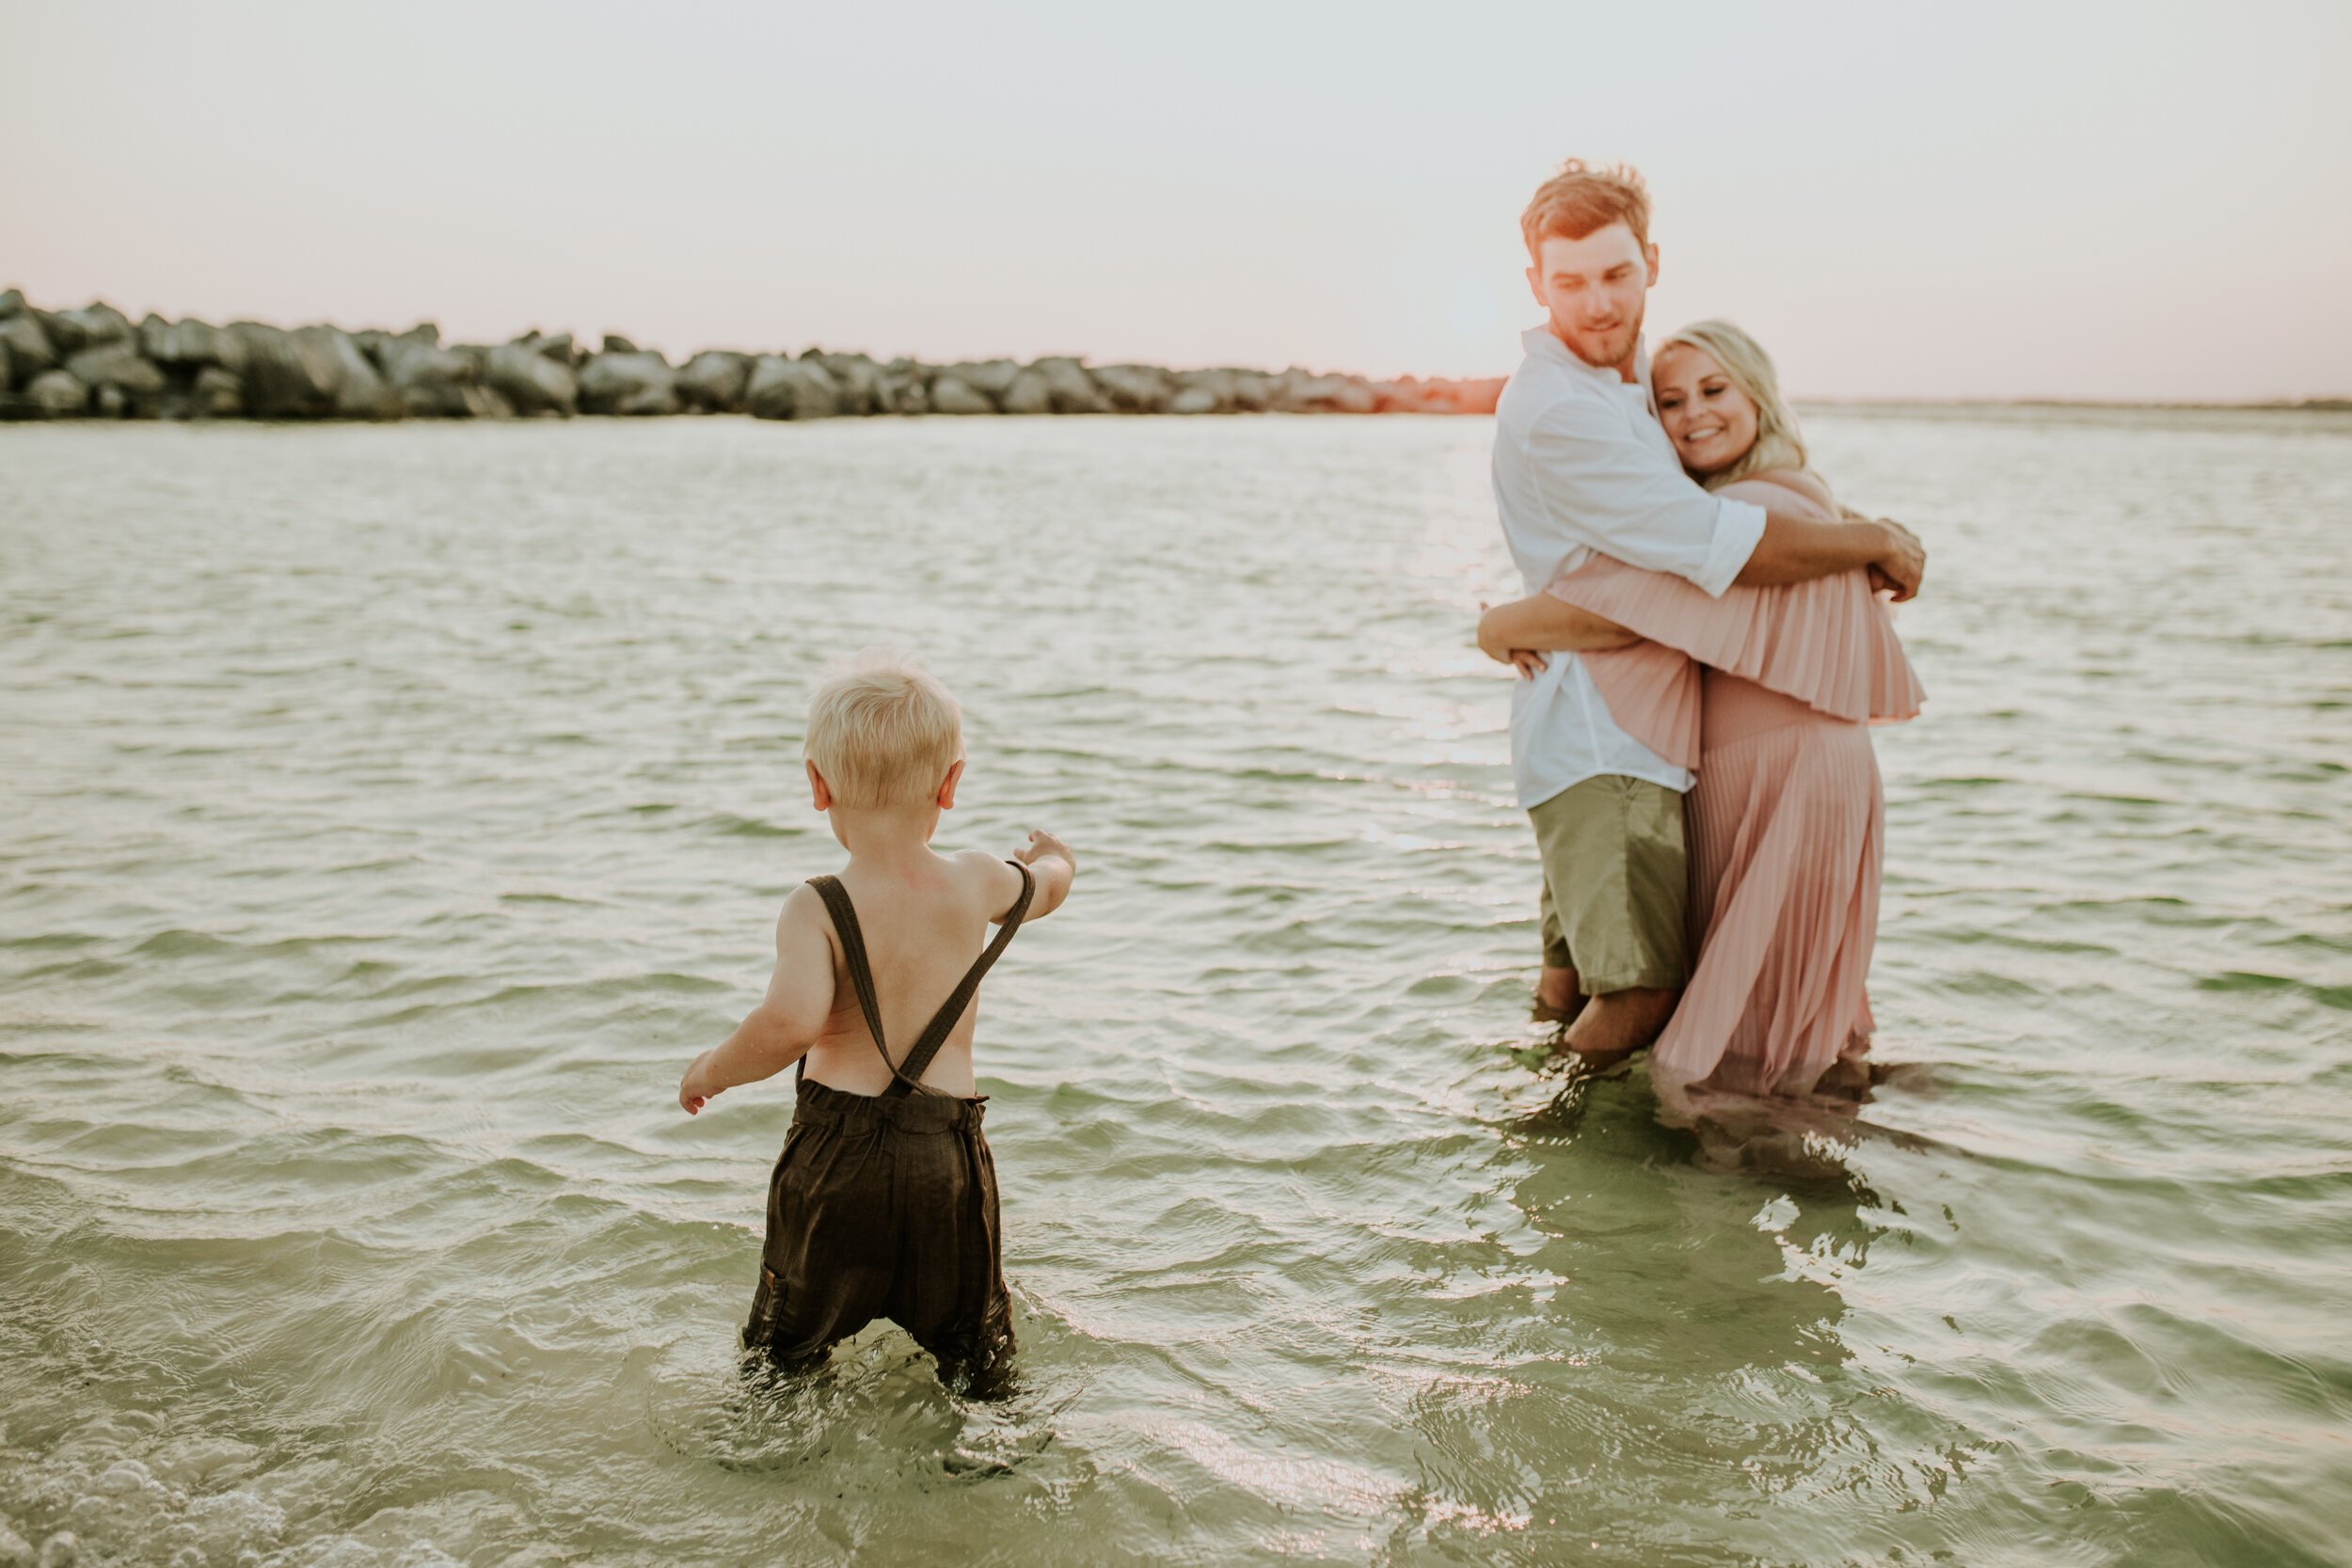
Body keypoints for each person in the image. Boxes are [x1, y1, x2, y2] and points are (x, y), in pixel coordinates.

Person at [1480, 159, 1925, 1073]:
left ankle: (1535, 1138)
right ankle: (1578, 1178)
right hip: (1605, 739)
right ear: (1535, 285)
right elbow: (1708, 548)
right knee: (1637, 993)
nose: (1597, 304)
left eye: (1615, 275)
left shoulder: (1631, 381)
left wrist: (1510, 618)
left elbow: (1697, 503)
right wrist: (1870, 537)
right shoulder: (1564, 408)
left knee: (1570, 982)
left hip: (1613, 734)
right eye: (1568, 282)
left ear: (1650, 262)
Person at [675, 651, 1076, 1386]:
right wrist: (1055, 857)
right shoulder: (979, 879)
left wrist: (711, 1068)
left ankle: (762, 1464)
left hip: (837, 1162)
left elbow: (791, 1023)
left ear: (817, 785)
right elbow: (1049, 888)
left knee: (784, 1354)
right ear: (951, 785)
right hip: (946, 1161)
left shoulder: (816, 905)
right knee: (975, 1351)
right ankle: (985, 1463)